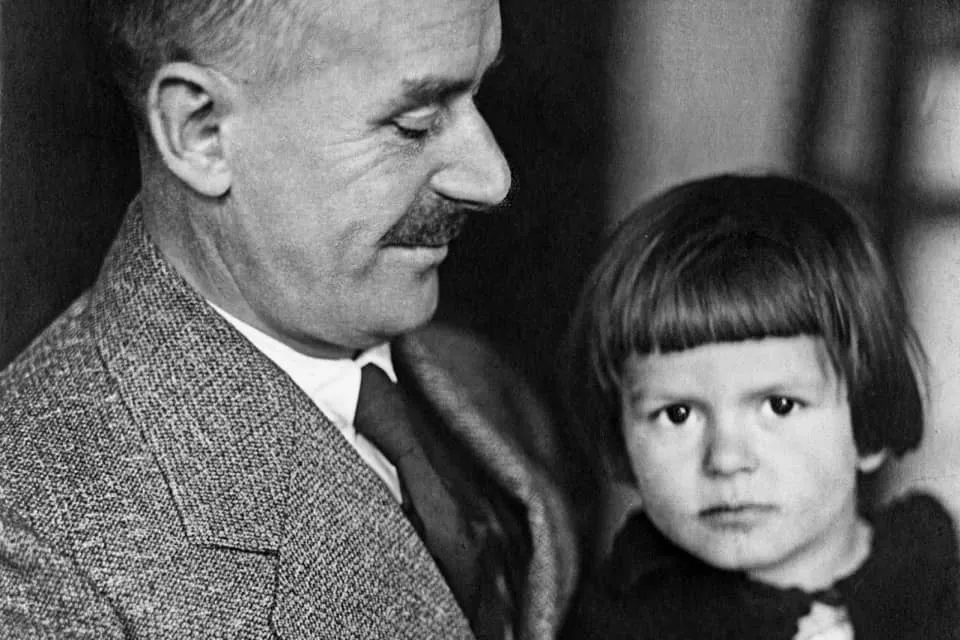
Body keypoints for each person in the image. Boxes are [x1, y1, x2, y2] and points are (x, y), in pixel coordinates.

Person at [0, 0, 577, 637]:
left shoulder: (479, 382)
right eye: (413, 123)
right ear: (201, 131)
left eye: (476, 93)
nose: (492, 179)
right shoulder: (33, 547)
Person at [560, 174, 960, 639]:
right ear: (622, 437)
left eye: (780, 405)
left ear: (867, 420)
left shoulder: (930, 578)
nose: (727, 459)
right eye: (678, 414)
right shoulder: (626, 622)